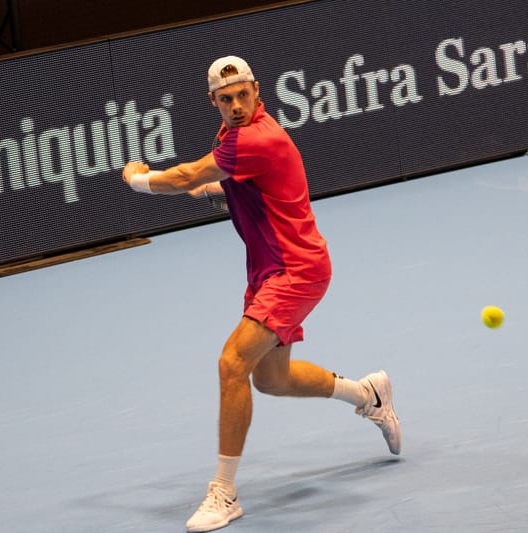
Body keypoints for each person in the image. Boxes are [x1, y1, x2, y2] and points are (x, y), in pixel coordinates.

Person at [122, 56, 401, 533]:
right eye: (226, 98)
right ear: (213, 100)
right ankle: (367, 393)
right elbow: (232, 184)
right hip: (271, 269)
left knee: (231, 363)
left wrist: (137, 179)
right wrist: (216, 192)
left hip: (295, 270)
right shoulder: (232, 139)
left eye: (242, 95)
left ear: (257, 91)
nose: (236, 105)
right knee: (271, 380)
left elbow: (188, 174)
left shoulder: (256, 137)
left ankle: (224, 493)